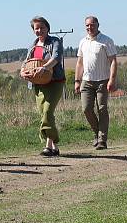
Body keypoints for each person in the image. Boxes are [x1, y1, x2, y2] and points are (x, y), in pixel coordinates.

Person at [20, 16, 65, 156]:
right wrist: (22, 71)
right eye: (36, 28)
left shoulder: (55, 41)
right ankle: (54, 146)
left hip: (55, 82)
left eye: (42, 28)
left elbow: (56, 57)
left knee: (47, 111)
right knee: (44, 113)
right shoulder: (33, 45)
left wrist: (45, 67)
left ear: (47, 28)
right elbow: (27, 61)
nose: (39, 30)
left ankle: (47, 145)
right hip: (38, 83)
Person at [74, 16, 117, 150]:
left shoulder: (106, 41)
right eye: (87, 25)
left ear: (98, 25)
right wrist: (77, 80)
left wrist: (112, 79)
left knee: (102, 108)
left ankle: (102, 140)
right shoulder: (83, 42)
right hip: (86, 81)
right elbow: (79, 63)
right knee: (86, 109)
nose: (89, 28)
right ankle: (97, 133)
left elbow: (113, 61)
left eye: (92, 25)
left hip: (102, 81)